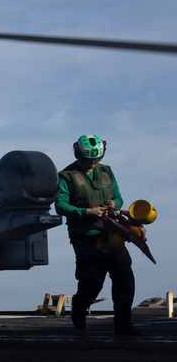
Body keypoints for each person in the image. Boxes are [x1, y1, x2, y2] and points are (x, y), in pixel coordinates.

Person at [54, 134, 140, 336]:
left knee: (124, 277)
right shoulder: (66, 176)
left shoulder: (106, 172)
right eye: (88, 159)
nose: (92, 163)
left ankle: (123, 325)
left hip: (110, 234)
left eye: (97, 159)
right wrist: (86, 212)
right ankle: (79, 305)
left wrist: (114, 204)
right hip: (84, 237)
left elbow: (118, 197)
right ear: (78, 153)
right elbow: (60, 206)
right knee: (92, 283)